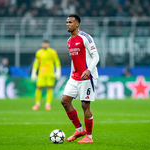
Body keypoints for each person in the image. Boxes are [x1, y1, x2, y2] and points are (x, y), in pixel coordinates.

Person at [61, 14, 99, 143]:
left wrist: (89, 70)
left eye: (70, 22)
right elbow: (75, 60)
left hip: (87, 77)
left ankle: (89, 136)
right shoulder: (69, 41)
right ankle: (79, 129)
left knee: (85, 105)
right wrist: (73, 73)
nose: (67, 24)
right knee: (65, 101)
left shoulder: (85, 37)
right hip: (75, 76)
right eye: (66, 22)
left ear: (77, 24)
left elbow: (96, 56)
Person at [31, 40, 61, 110]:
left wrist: (58, 71)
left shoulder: (52, 52)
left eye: (46, 44)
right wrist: (34, 71)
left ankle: (48, 104)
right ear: (42, 44)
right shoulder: (39, 52)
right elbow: (36, 62)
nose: (45, 45)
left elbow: (56, 61)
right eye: (44, 44)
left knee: (49, 88)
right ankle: (37, 104)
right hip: (41, 73)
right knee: (38, 87)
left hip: (50, 73)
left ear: (48, 44)